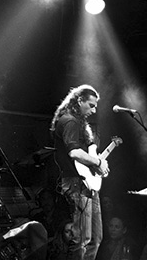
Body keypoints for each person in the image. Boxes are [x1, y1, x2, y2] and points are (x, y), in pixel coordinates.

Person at [50, 84, 109, 260]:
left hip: (87, 183)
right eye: (91, 105)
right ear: (79, 100)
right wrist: (98, 162)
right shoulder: (70, 121)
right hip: (76, 183)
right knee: (82, 239)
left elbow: (85, 154)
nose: (94, 110)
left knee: (95, 239)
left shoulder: (79, 123)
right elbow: (74, 152)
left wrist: (98, 166)